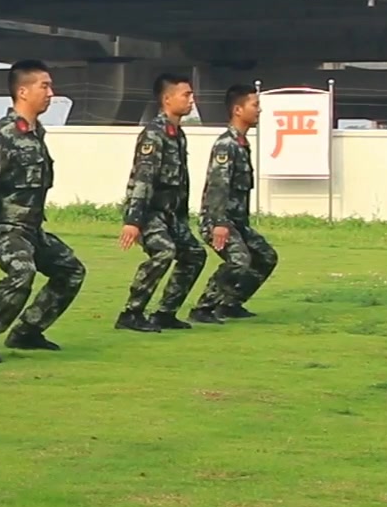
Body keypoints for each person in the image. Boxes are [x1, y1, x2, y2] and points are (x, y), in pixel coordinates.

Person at [0, 60, 85, 363]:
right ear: (23, 91)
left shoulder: (36, 134)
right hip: (3, 229)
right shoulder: (4, 134)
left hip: (32, 230)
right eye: (44, 86)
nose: (51, 93)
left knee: (71, 271)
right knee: (22, 272)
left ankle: (27, 332)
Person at [117, 72, 208, 332]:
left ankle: (165, 313)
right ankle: (131, 313)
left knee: (194, 254)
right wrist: (133, 221)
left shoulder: (177, 134)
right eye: (186, 95)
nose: (192, 100)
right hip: (150, 213)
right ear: (167, 99)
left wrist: (182, 218)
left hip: (172, 215)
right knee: (164, 252)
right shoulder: (154, 135)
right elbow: (144, 179)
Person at [190, 84, 278, 323]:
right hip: (219, 221)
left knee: (266, 257)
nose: (259, 110)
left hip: (238, 223)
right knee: (239, 260)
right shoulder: (226, 145)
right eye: (255, 105)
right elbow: (218, 186)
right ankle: (203, 308)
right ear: (238, 110)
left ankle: (230, 303)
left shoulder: (241, 144)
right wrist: (219, 223)